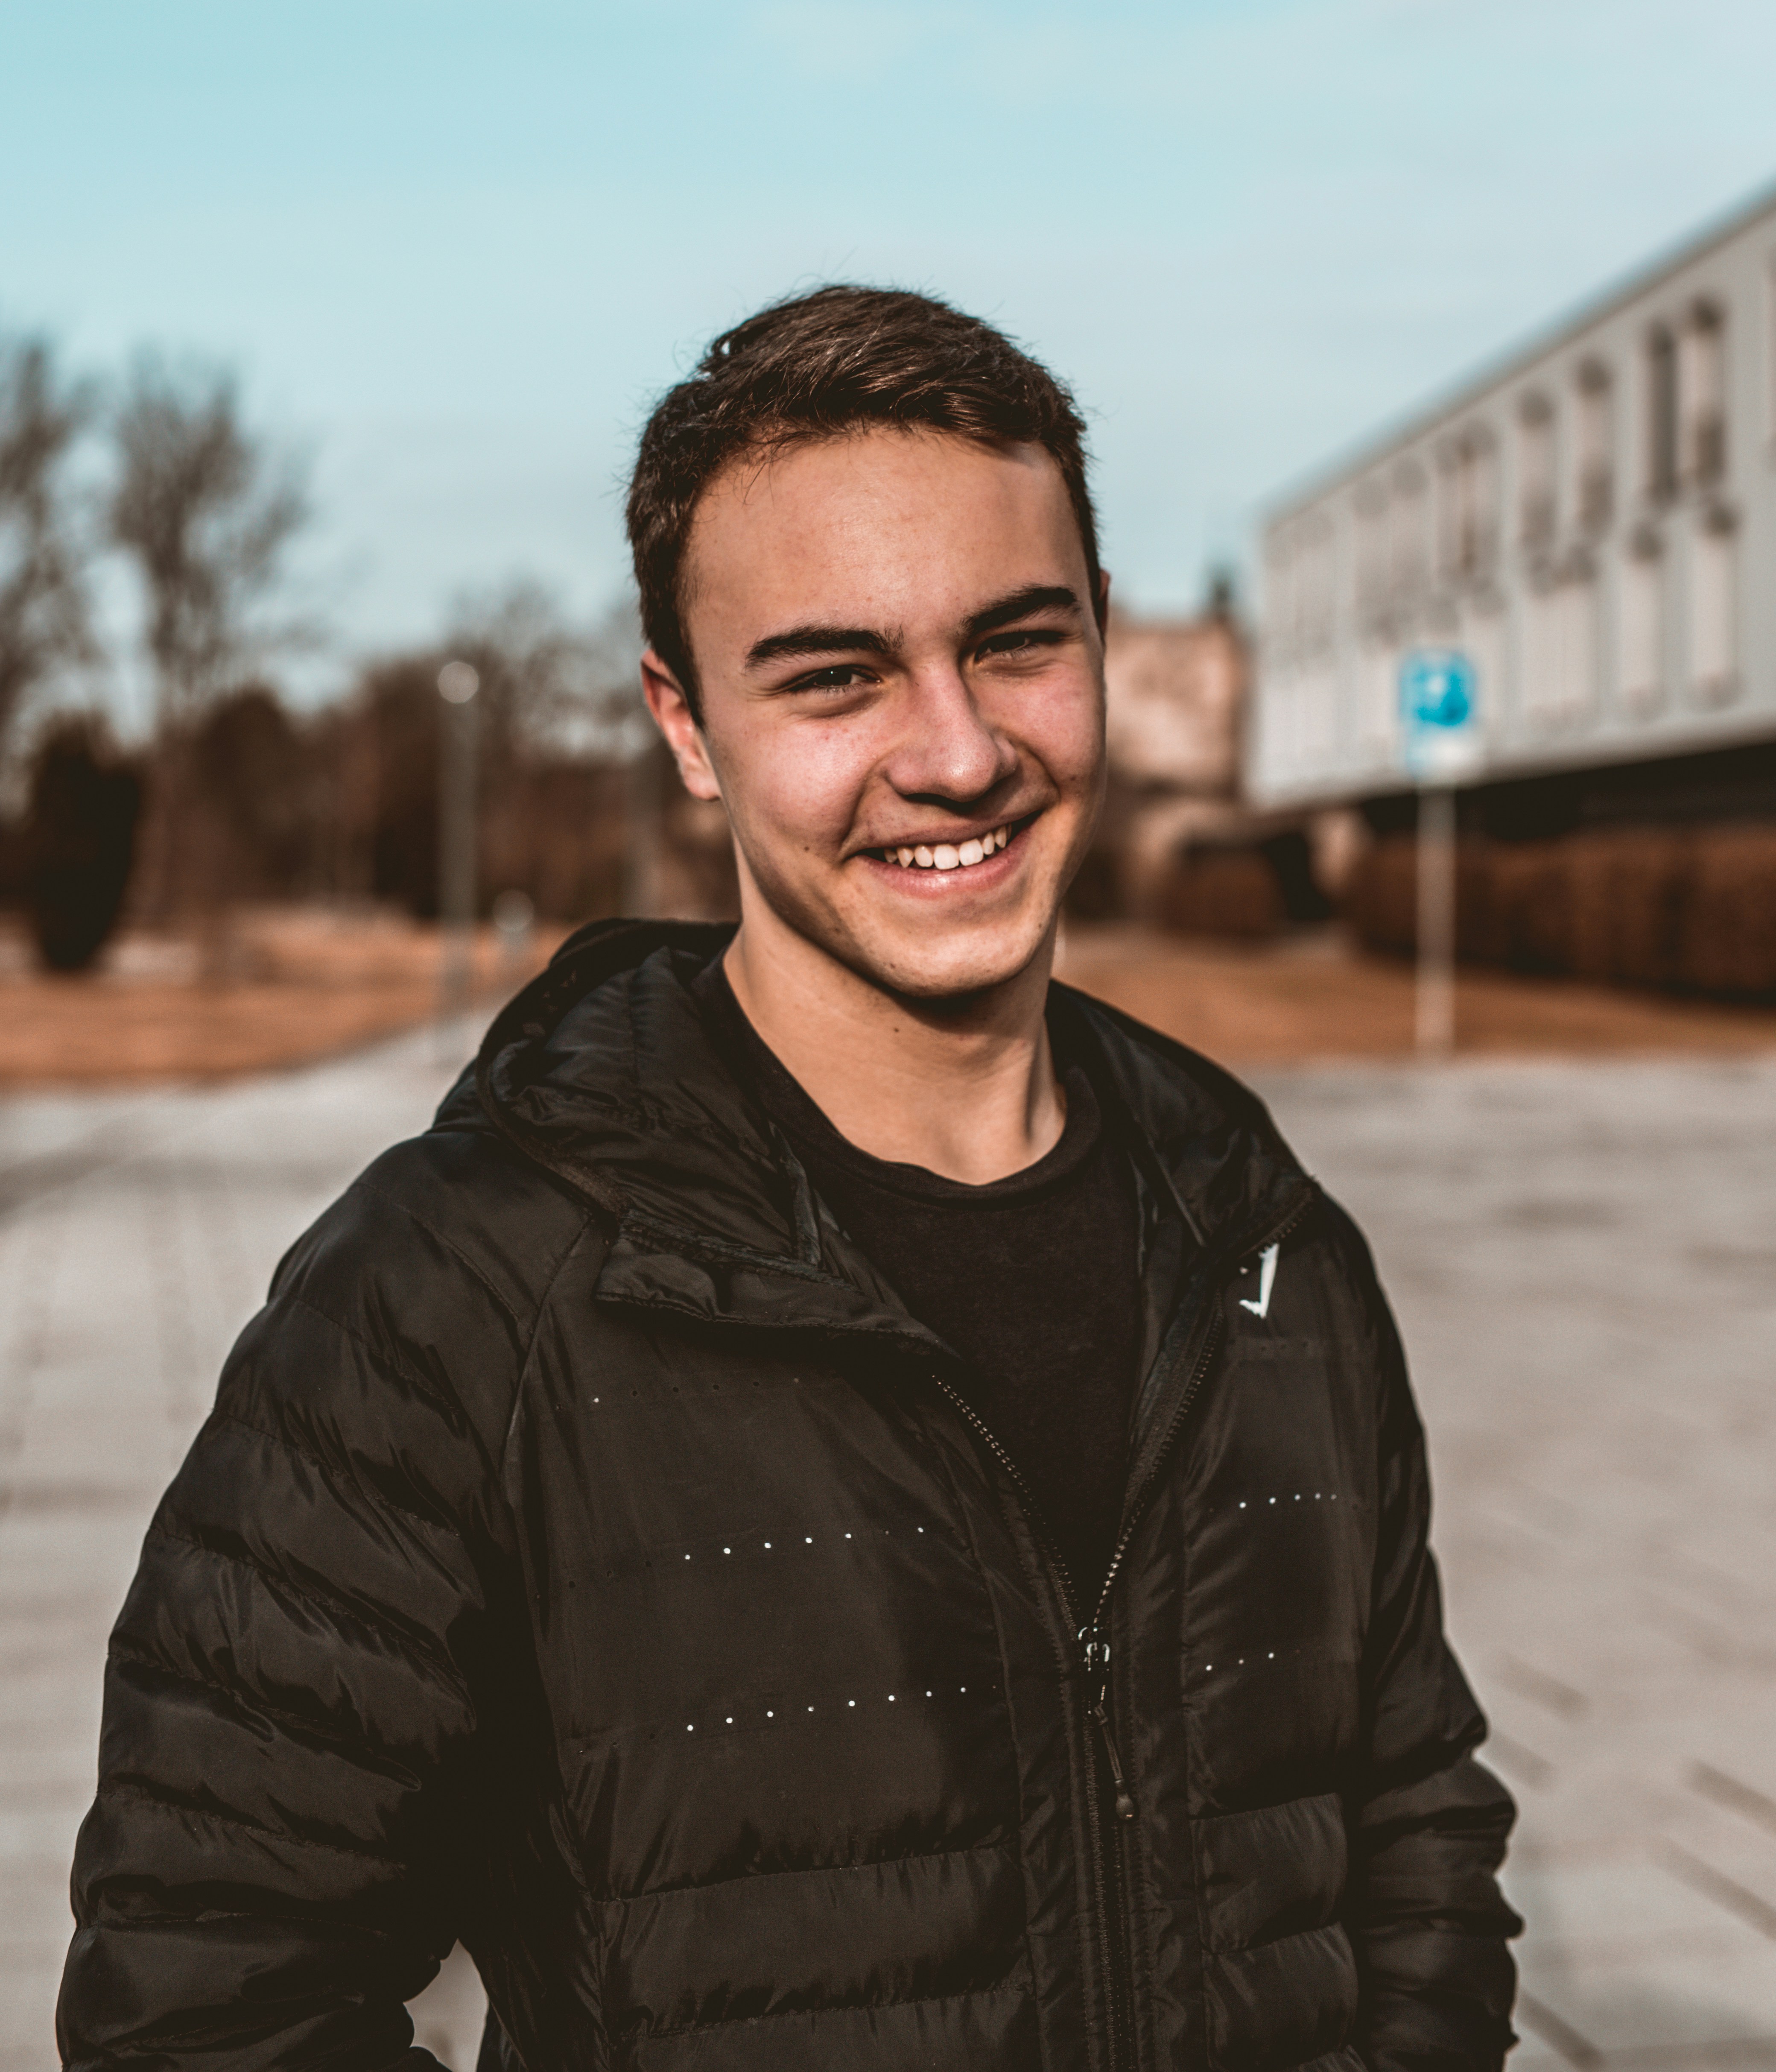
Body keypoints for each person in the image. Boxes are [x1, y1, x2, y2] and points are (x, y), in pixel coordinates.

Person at [60, 287, 1518, 2072]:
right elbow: (212, 2001)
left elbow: (1410, 1833)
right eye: (834, 676)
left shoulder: (1263, 1240)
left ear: (1103, 642)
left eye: (1013, 642)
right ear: (685, 725)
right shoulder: (452, 1298)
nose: (956, 752)